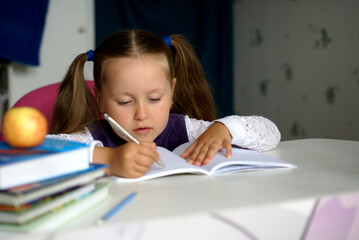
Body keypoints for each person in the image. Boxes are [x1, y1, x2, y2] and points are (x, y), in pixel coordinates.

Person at [48, 29, 281, 178]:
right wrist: (109, 160)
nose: (142, 114)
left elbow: (272, 133)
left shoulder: (186, 130)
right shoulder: (95, 138)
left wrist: (226, 128)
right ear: (100, 99)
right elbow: (31, 154)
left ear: (172, 93)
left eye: (154, 99)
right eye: (125, 101)